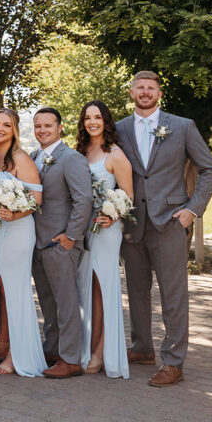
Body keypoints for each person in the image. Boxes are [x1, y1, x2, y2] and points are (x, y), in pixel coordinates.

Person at [116, 71, 212, 387]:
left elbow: (210, 169)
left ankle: (173, 362)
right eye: (140, 87)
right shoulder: (118, 129)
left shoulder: (182, 126)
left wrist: (192, 210)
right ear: (132, 92)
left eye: (151, 88)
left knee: (173, 295)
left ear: (159, 93)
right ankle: (143, 347)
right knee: (136, 290)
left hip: (171, 222)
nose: (145, 92)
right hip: (132, 224)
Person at [0, 108, 47, 377]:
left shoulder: (20, 157)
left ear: (14, 129)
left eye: (6, 125)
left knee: (12, 290)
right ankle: (1, 342)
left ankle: (16, 355)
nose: (0, 128)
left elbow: (37, 198)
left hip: (16, 229)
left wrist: (15, 212)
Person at [31, 107, 92, 379]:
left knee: (66, 302)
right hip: (38, 241)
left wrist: (71, 236)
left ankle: (71, 359)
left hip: (61, 242)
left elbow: (84, 200)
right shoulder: (34, 157)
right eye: (38, 126)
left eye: (48, 125)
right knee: (47, 300)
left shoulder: (72, 159)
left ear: (59, 128)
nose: (42, 130)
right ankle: (53, 349)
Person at [76, 100, 133, 379]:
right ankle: (87, 346)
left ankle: (100, 352)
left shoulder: (115, 154)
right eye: (87, 118)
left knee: (101, 289)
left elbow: (128, 196)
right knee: (86, 289)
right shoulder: (81, 152)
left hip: (105, 230)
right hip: (83, 229)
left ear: (105, 121)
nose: (92, 122)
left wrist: (113, 216)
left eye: (97, 117)